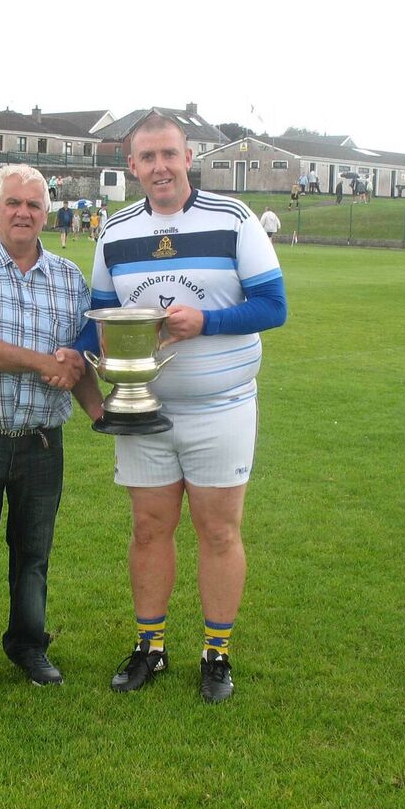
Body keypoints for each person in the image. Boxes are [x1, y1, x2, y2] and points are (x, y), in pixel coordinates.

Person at [89, 115, 288, 704]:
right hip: (141, 410)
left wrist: (207, 321)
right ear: (132, 166)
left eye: (169, 154)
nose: (160, 167)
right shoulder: (115, 232)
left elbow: (273, 306)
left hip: (221, 407)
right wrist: (72, 359)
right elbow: (98, 320)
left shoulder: (234, 220)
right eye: (147, 157)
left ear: (189, 155)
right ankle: (150, 646)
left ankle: (216, 653)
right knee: (149, 529)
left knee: (219, 531)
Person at [0, 164, 99, 707]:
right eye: (13, 203)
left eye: (33, 204)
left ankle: (29, 646)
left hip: (42, 444)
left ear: (46, 213)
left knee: (33, 556)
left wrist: (101, 412)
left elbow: (77, 362)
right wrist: (42, 364)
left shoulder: (70, 279)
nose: (23, 212)